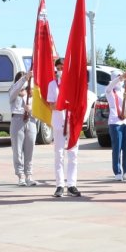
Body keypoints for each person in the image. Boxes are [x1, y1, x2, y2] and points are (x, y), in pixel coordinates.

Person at [48, 58, 81, 198]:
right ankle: (60, 185)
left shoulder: (73, 84)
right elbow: (51, 105)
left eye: (63, 67)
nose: (61, 70)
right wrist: (63, 103)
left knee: (73, 154)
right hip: (58, 122)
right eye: (59, 68)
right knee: (59, 154)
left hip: (72, 122)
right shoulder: (52, 85)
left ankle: (72, 184)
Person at [8, 70, 38, 187]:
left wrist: (31, 108)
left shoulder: (32, 93)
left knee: (30, 149)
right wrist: (25, 78)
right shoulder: (13, 91)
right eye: (22, 79)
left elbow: (39, 107)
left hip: (31, 120)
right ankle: (20, 175)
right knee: (17, 150)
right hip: (17, 120)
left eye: (27, 79)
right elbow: (17, 88)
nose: (25, 82)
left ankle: (29, 175)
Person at [105, 72, 126, 181]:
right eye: (118, 77)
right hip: (115, 122)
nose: (121, 80)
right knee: (117, 147)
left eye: (122, 77)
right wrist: (120, 78)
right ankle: (117, 172)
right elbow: (111, 85)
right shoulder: (109, 90)